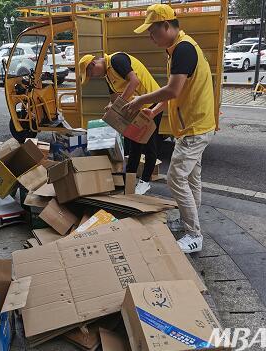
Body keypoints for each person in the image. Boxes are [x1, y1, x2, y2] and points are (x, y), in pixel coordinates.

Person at [124, 4, 216, 253]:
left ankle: (194, 235)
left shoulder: (184, 50)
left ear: (166, 26)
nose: (150, 37)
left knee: (175, 178)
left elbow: (173, 90)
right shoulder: (178, 48)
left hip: (195, 128)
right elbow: (176, 90)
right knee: (192, 178)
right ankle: (190, 223)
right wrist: (154, 111)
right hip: (196, 126)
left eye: (152, 31)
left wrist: (140, 100)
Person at [78, 52, 163, 195]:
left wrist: (118, 105)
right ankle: (128, 181)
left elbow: (134, 81)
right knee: (133, 145)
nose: (93, 77)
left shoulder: (117, 60)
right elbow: (113, 98)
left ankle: (145, 181)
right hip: (136, 107)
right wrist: (110, 109)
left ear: (93, 64)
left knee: (149, 144)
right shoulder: (107, 76)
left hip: (152, 104)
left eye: (91, 74)